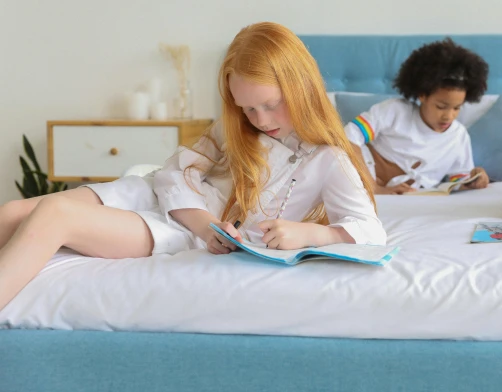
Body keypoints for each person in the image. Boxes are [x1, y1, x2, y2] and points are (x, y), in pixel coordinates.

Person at [0, 22, 386, 311]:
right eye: (248, 107)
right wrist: (205, 224)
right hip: (155, 197)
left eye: (270, 104)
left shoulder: (329, 157)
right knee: (11, 214)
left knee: (55, 212)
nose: (261, 119)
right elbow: (172, 171)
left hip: (170, 227)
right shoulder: (234, 127)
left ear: (301, 88)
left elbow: (371, 230)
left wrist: (310, 235)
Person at [345, 38, 490, 195]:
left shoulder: (458, 136)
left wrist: (473, 180)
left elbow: (458, 179)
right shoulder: (395, 111)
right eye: (441, 107)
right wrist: (373, 187)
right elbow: (349, 136)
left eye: (457, 108)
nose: (449, 116)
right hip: (356, 180)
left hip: (412, 195)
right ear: (422, 95)